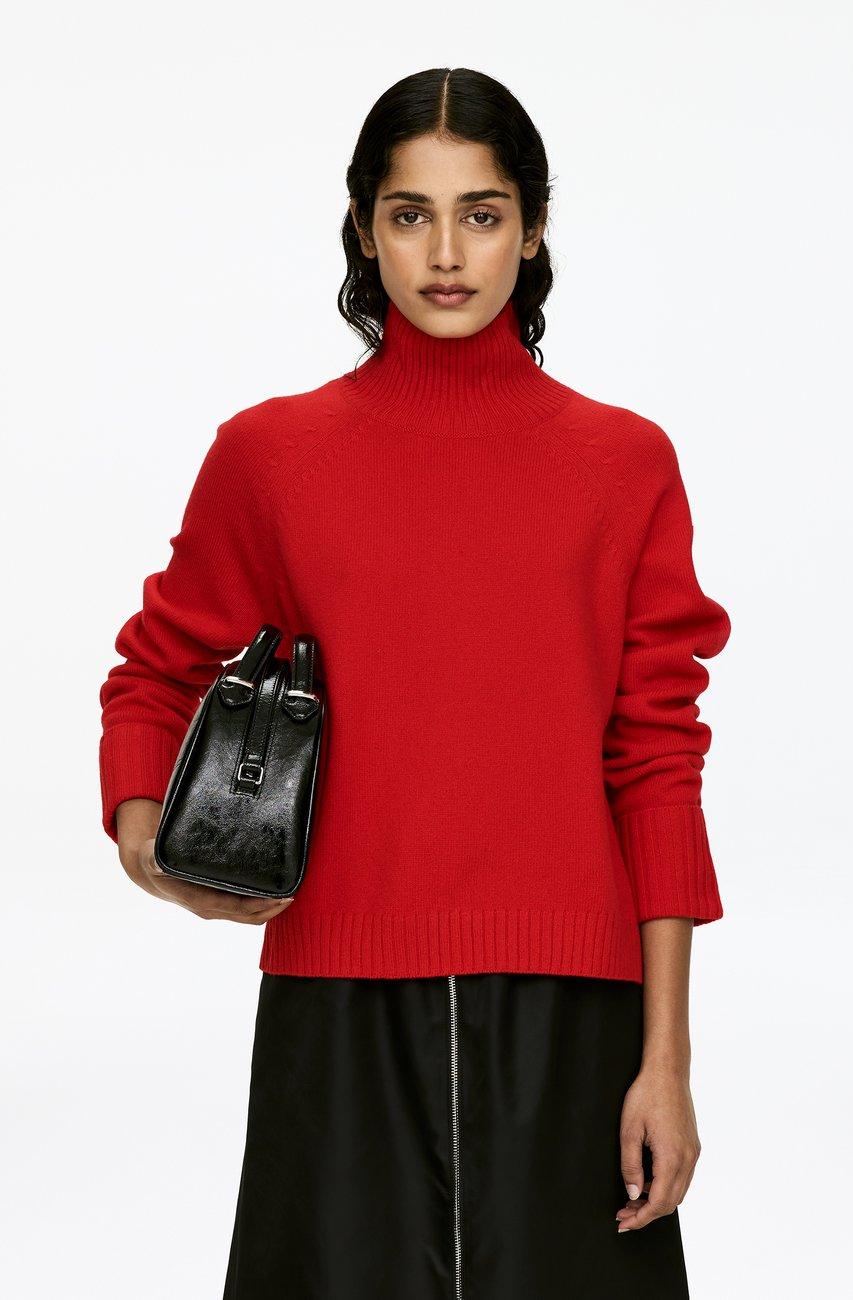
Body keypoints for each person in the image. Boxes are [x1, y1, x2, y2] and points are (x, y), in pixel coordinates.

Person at [99, 67, 732, 1300]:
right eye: (409, 214)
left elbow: (657, 758)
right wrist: (147, 842)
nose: (446, 254)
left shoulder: (624, 463)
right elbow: (154, 671)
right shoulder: (270, 456)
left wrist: (667, 1060)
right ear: (362, 225)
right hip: (335, 1007)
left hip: (574, 1018)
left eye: (482, 214)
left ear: (532, 228)